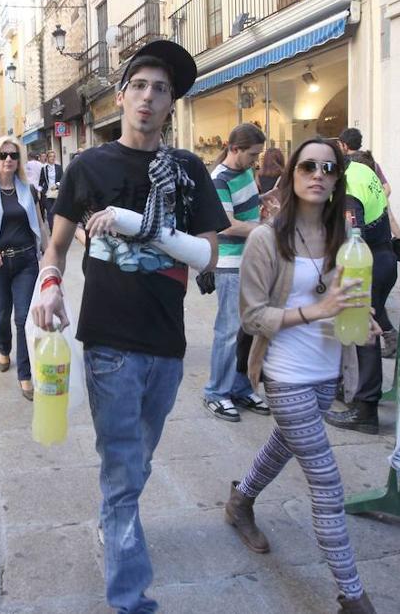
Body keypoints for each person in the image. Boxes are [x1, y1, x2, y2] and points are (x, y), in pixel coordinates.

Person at [31, 40, 228, 614]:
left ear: (172, 105)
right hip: (110, 344)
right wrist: (48, 285)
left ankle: (114, 520)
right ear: (121, 97)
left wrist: (137, 224)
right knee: (122, 468)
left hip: (167, 344)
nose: (148, 97)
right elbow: (58, 247)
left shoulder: (189, 171)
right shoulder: (89, 167)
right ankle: (130, 599)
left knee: (137, 460)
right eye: (139, 86)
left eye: (160, 89)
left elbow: (208, 256)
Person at [228, 137, 376, 614]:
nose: (318, 174)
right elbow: (252, 318)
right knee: (328, 483)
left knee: (285, 444)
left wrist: (360, 315)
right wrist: (318, 311)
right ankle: (353, 597)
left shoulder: (342, 241)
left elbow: (341, 303)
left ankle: (241, 501)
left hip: (327, 371)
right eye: (308, 166)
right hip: (284, 372)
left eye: (328, 168)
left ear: (337, 179)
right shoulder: (265, 239)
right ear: (291, 174)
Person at [324, 130, 398, 434]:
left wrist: (353, 287)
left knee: (363, 331)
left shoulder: (348, 189)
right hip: (383, 257)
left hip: (367, 261)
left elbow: (355, 236)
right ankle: (358, 395)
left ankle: (364, 407)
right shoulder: (362, 169)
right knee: (368, 331)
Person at [203, 123, 271, 422]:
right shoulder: (218, 179)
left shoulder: (244, 172)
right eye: (252, 154)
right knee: (229, 332)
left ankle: (241, 387)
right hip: (230, 266)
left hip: (251, 262)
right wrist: (266, 229)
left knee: (247, 331)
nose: (255, 161)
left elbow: (247, 208)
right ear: (234, 149)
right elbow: (226, 224)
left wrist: (267, 199)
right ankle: (216, 392)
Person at [0, 136, 46, 399]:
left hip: (26, 260)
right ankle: (4, 349)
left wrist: (47, 255)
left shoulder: (29, 188)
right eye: (3, 155)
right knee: (2, 314)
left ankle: (25, 373)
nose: (8, 160)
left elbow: (38, 221)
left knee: (24, 317)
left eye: (13, 155)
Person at [38, 149, 64, 230]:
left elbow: (63, 179)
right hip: (47, 194)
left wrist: (56, 185)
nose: (52, 158)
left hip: (56, 193)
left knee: (58, 212)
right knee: (50, 212)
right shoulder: (44, 169)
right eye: (50, 156)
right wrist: (40, 191)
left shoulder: (59, 168)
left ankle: (58, 229)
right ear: (47, 158)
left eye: (54, 156)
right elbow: (41, 181)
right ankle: (52, 230)